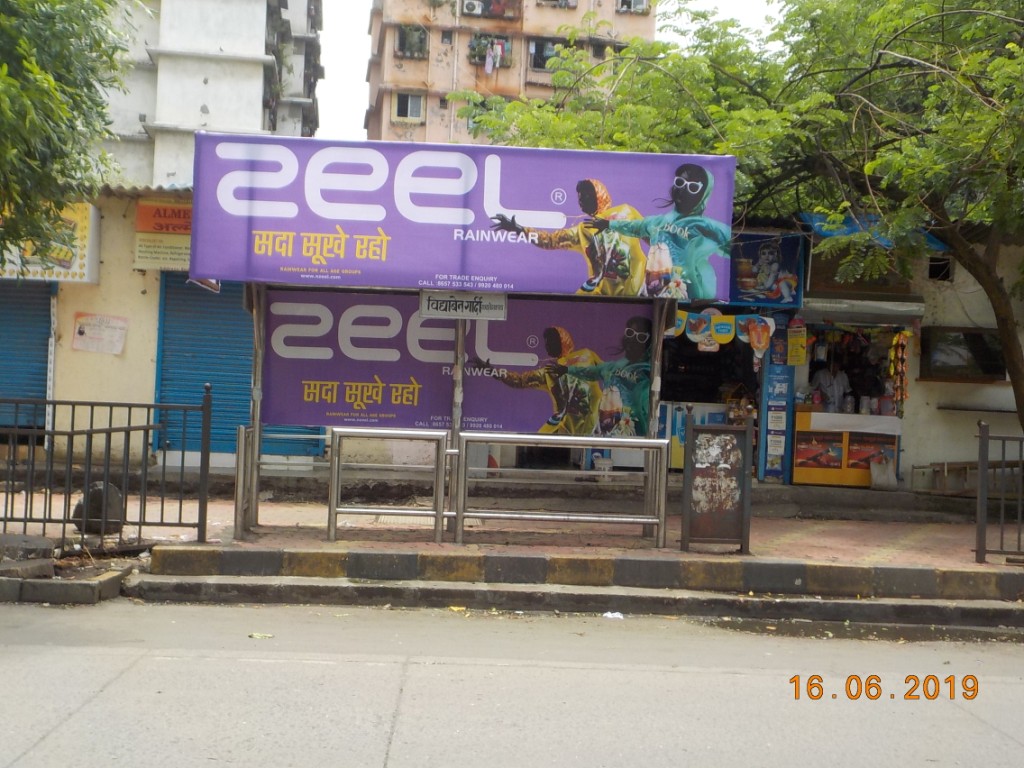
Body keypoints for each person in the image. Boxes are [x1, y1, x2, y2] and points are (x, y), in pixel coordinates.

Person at [589, 163, 731, 300]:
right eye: (680, 182)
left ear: (703, 195)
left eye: (693, 187)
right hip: (654, 291)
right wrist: (608, 224)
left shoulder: (706, 227)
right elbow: (635, 226)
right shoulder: (658, 222)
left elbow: (734, 246)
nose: (683, 190)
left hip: (689, 294)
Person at [490, 179, 647, 296]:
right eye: (579, 196)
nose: (580, 200)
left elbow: (652, 236)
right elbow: (549, 241)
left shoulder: (627, 212)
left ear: (599, 196)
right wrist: (518, 229)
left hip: (639, 288)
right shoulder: (582, 230)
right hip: (608, 297)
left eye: (585, 195)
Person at [473, 326, 603, 435]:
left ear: (561, 341)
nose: (546, 346)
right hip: (574, 429)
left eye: (550, 342)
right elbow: (519, 380)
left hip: (582, 427)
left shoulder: (583, 356)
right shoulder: (552, 369)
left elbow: (518, 381)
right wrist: (493, 371)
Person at [547, 315, 653, 437]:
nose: (633, 339)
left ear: (649, 343)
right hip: (606, 428)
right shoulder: (613, 366)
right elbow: (592, 372)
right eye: (630, 333)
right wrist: (567, 369)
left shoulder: (646, 370)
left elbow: (645, 402)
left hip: (631, 433)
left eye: (641, 337)